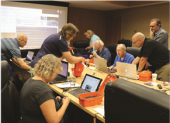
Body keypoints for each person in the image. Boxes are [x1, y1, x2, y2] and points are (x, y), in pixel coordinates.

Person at [20, 54, 70, 123]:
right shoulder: (43, 90)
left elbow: (36, 103)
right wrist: (65, 104)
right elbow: (54, 121)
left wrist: (52, 100)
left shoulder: (30, 80)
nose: (55, 76)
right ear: (50, 72)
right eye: (55, 74)